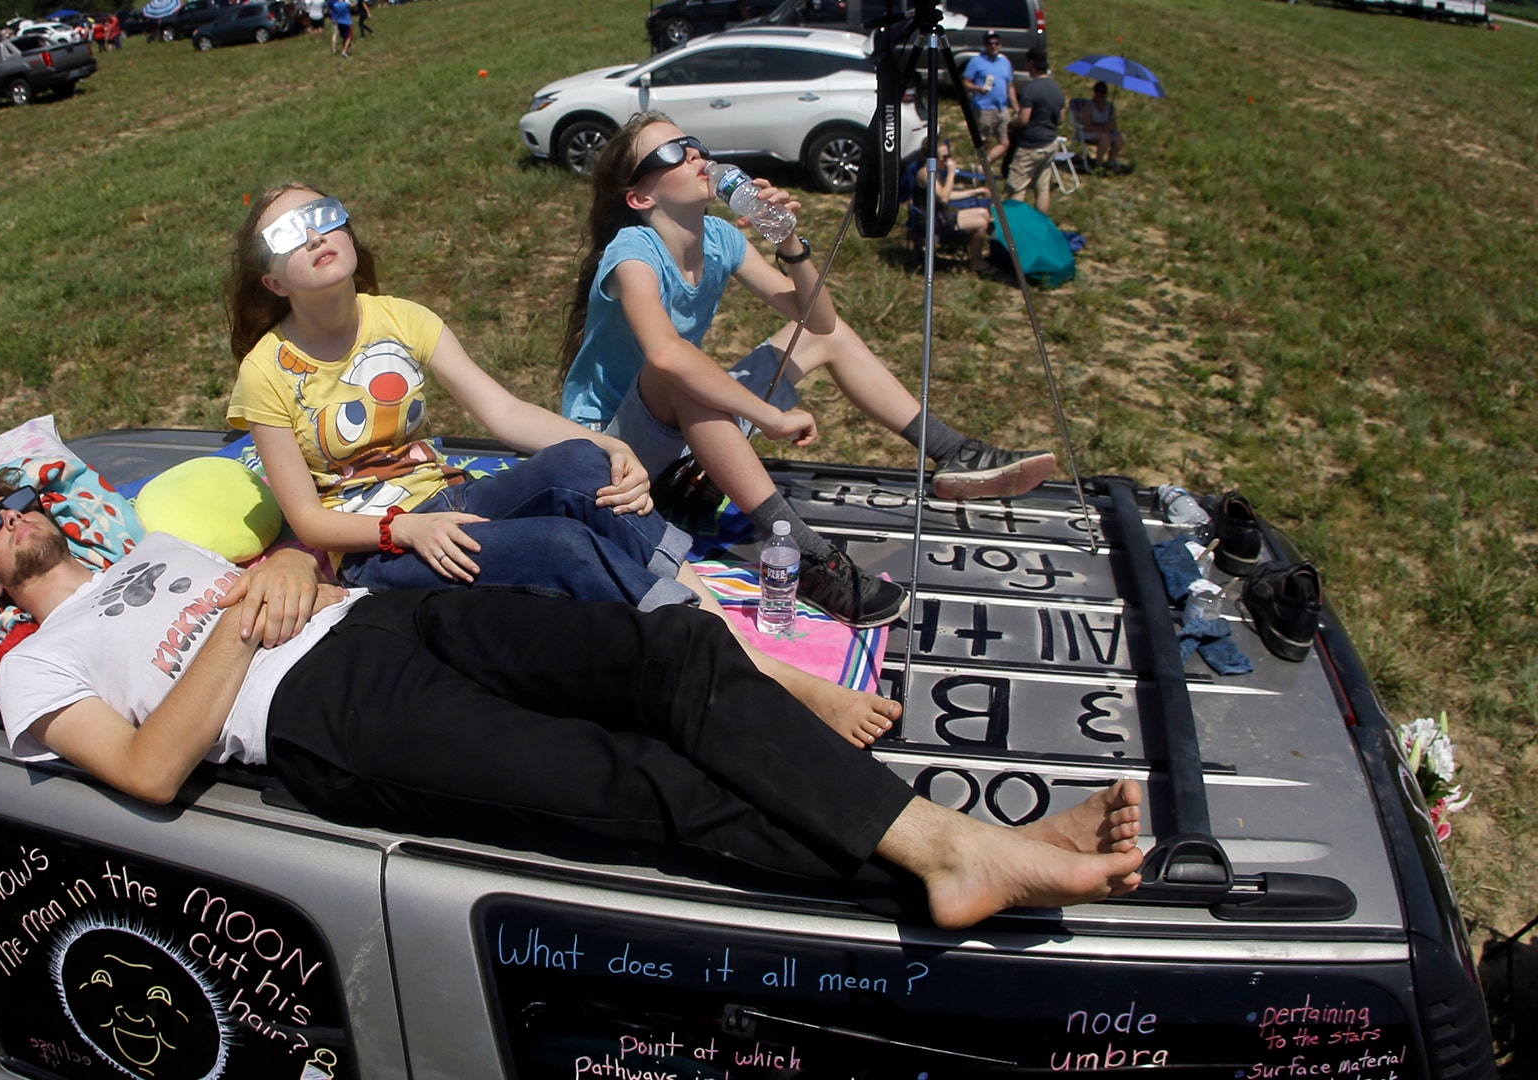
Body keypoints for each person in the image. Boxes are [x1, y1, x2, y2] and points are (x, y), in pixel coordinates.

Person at [0, 476, 1147, 930]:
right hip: (327, 715)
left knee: (670, 653)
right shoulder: (34, 664)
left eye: (13, 499)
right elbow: (152, 771)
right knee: (636, 785)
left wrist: (292, 572)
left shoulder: (152, 548)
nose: (10, 518)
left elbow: (299, 567)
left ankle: (963, 853)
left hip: (390, 618)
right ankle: (951, 854)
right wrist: (241, 617)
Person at [225, 183, 905, 748]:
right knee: (562, 543)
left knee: (580, 463)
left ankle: (729, 645)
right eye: (287, 235)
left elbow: (506, 412)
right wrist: (402, 531)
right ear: (272, 279)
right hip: (380, 549)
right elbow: (309, 521)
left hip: (450, 502)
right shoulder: (266, 373)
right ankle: (762, 680)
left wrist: (611, 448)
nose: (313, 236)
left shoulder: (399, 318)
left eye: (322, 217)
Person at [556, 114, 1058, 629]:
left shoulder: (721, 238)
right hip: (608, 457)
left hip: (675, 442)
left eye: (692, 143)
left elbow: (819, 319)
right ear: (641, 198)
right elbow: (665, 357)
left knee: (822, 340)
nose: (692, 154)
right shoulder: (632, 252)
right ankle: (807, 556)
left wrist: (790, 242)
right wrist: (766, 415)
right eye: (670, 153)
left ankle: (953, 452)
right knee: (680, 369)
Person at [916, 139, 993, 273]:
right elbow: (944, 198)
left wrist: (974, 192)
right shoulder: (927, 174)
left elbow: (947, 194)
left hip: (939, 216)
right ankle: (975, 262)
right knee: (981, 224)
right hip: (930, 221)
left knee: (983, 213)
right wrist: (951, 173)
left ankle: (976, 254)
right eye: (944, 158)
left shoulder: (935, 171)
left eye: (949, 156)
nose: (948, 161)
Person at [1007, 46, 1066, 216]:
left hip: (1030, 146)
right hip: (1049, 143)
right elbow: (1061, 118)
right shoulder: (1057, 89)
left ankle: (1015, 226)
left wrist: (1013, 123)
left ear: (1031, 63)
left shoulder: (1030, 89)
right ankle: (1041, 222)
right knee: (1042, 188)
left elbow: (1024, 119)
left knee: (1017, 187)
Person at [961, 32, 1017, 169]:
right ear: (985, 45)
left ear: (1000, 45)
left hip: (1002, 109)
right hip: (984, 108)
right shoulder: (976, 61)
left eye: (996, 43)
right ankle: (984, 169)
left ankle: (982, 167)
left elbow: (1010, 87)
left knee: (1005, 142)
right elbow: (965, 82)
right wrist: (978, 89)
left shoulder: (1005, 62)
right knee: (986, 142)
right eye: (990, 43)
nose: (993, 46)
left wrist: (1016, 107)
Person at [1081, 80, 1126, 174]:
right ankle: (1098, 164)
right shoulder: (1089, 106)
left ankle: (1111, 162)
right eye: (1098, 93)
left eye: (1103, 93)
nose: (1100, 96)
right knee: (1105, 139)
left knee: (1119, 138)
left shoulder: (1110, 107)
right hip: (1091, 132)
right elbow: (1086, 126)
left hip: (1106, 132)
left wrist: (1109, 126)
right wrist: (1100, 129)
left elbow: (1114, 124)